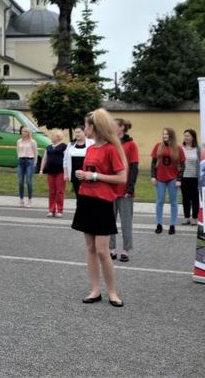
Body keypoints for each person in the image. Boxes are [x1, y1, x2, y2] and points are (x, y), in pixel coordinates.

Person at [72, 109, 127, 307]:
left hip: (102, 203)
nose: (84, 128)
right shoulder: (90, 148)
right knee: (90, 249)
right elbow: (90, 173)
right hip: (86, 200)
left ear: (94, 127)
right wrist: (82, 174)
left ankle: (112, 292)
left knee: (103, 250)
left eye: (87, 125)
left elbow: (122, 178)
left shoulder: (111, 149)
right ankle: (95, 290)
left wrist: (94, 176)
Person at [109, 119, 140, 263]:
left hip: (125, 189)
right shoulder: (109, 143)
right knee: (109, 222)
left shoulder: (131, 144)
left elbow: (134, 167)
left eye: (114, 126)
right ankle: (111, 249)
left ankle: (126, 250)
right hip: (110, 188)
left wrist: (130, 187)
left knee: (126, 222)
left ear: (121, 127)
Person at [150, 127, 185, 234]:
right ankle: (159, 224)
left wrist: (179, 179)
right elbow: (153, 162)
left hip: (173, 178)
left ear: (171, 136)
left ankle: (172, 225)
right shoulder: (158, 146)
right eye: (164, 134)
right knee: (159, 201)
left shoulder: (178, 148)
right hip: (160, 178)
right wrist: (153, 176)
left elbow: (182, 165)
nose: (165, 136)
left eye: (167, 134)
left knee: (174, 202)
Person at [39, 129, 67, 217]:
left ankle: (60, 210)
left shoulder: (64, 146)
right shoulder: (49, 147)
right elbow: (44, 159)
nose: (52, 137)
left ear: (58, 137)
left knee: (59, 191)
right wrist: (41, 170)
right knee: (52, 192)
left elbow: (66, 159)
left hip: (60, 172)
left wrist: (67, 172)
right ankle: (51, 210)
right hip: (50, 172)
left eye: (53, 135)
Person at [180, 128, 200, 225]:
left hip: (195, 177)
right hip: (184, 177)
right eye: (185, 136)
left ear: (193, 137)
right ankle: (186, 217)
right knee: (185, 198)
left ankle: (195, 217)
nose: (186, 138)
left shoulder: (198, 149)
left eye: (188, 136)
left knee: (195, 198)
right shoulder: (181, 149)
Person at [64, 126, 91, 197]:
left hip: (86, 174)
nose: (77, 134)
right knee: (78, 194)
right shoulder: (70, 144)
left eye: (79, 132)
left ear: (84, 132)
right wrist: (66, 174)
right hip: (74, 174)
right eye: (75, 132)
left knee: (86, 195)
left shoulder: (91, 143)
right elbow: (65, 160)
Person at [15, 126, 38, 207]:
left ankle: (30, 200)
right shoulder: (19, 141)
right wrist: (19, 158)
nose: (23, 133)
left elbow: (35, 153)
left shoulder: (32, 142)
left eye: (25, 131)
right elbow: (18, 151)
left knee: (29, 181)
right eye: (22, 131)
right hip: (21, 161)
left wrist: (35, 163)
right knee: (20, 181)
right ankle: (21, 199)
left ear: (28, 133)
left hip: (29, 161)